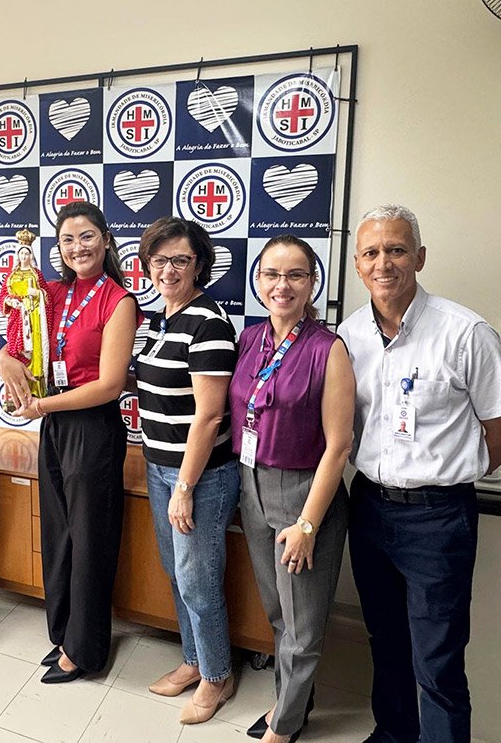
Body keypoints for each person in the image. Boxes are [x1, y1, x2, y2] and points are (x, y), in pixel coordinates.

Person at [338, 205, 501, 743]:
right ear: (358, 266)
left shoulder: (466, 332)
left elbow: (497, 428)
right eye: (371, 253)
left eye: (397, 249)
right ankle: (394, 735)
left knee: (438, 660)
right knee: (385, 642)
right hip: (369, 508)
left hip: (438, 517)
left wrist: (448, 474)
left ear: (420, 257)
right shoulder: (349, 335)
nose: (384, 262)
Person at [0, 201, 140, 683]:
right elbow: (15, 341)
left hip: (92, 427)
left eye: (86, 236)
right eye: (66, 239)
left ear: (105, 240)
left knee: (90, 540)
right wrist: (3, 362)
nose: (77, 247)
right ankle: (63, 633)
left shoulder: (118, 301)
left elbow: (109, 385)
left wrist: (40, 407)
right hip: (55, 424)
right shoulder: (49, 292)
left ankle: (86, 650)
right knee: (58, 533)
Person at [229, 235, 354, 743]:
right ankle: (292, 702)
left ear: (312, 283)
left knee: (302, 626)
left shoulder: (330, 349)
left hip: (303, 492)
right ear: (258, 280)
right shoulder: (250, 337)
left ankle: (284, 727)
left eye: (296, 275)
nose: (282, 285)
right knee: (279, 612)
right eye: (272, 274)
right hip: (250, 484)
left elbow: (339, 447)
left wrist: (307, 523)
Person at [134, 217, 240, 724]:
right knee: (178, 574)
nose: (169, 269)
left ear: (199, 263)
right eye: (159, 260)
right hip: (159, 467)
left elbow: (210, 415)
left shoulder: (209, 324)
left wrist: (185, 487)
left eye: (180, 259)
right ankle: (195, 660)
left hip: (198, 476)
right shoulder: (163, 319)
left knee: (198, 580)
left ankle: (218, 675)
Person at [0, 233, 51, 399]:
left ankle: (36, 387)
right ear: (17, 255)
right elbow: (3, 296)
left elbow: (47, 295)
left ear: (31, 255)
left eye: (27, 253)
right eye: (21, 253)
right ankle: (19, 391)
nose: (24, 256)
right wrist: (10, 302)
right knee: (16, 349)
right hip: (18, 318)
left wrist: (38, 293)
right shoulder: (11, 276)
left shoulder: (36, 274)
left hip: (34, 317)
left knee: (35, 352)